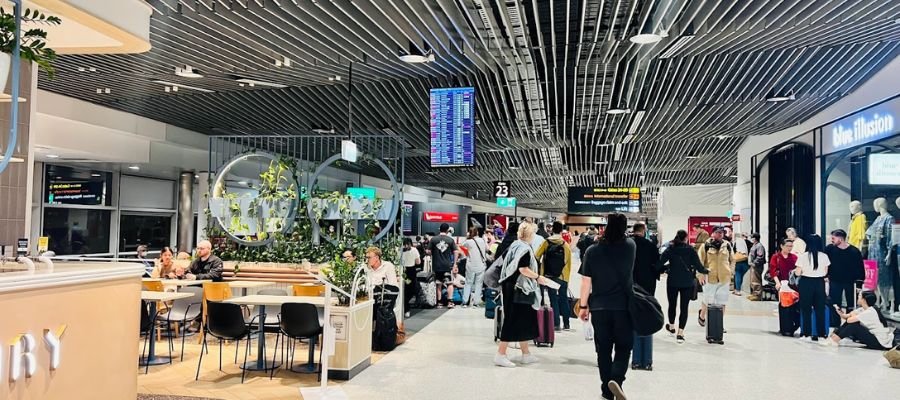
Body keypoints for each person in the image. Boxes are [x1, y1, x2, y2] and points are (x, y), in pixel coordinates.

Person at [578, 214, 635, 400]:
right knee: (624, 346)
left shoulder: (592, 251)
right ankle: (616, 379)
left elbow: (586, 282)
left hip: (599, 307)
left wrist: (583, 306)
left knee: (603, 349)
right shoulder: (630, 246)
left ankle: (606, 390)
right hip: (623, 306)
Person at [494, 222, 546, 368]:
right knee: (512, 320)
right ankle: (500, 354)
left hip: (512, 287)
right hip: (518, 289)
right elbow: (523, 269)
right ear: (531, 235)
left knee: (522, 319)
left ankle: (526, 353)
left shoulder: (515, 245)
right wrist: (538, 277)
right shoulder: (524, 249)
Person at [658, 230, 708, 344]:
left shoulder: (670, 249)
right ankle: (680, 333)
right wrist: (707, 271)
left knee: (672, 305)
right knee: (684, 308)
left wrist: (665, 268)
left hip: (672, 282)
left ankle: (671, 326)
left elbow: (659, 263)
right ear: (686, 238)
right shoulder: (690, 250)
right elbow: (699, 267)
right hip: (687, 282)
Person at [535, 221, 573, 331]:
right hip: (563, 276)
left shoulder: (546, 242)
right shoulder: (565, 245)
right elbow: (568, 262)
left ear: (552, 230)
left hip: (549, 276)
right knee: (563, 299)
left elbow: (536, 256)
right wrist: (566, 277)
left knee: (553, 299)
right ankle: (566, 324)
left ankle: (556, 324)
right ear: (561, 231)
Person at [823, 291, 893, 350]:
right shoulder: (863, 309)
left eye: (859, 296)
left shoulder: (870, 312)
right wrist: (840, 312)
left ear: (864, 300)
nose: (857, 298)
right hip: (873, 336)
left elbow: (849, 320)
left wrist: (852, 316)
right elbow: (846, 317)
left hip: (879, 342)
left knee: (854, 326)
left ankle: (834, 340)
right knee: (852, 322)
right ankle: (833, 338)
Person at [697, 227, 734, 335]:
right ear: (712, 234)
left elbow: (732, 260)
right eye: (717, 232)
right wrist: (700, 275)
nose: (720, 234)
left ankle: (719, 324)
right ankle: (702, 315)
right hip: (710, 277)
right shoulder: (705, 246)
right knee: (708, 300)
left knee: (722, 302)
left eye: (722, 233)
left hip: (724, 278)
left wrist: (730, 271)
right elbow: (699, 262)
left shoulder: (727, 245)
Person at [796, 234, 830, 341]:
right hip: (819, 283)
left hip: (806, 282)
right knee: (819, 309)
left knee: (806, 309)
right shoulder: (824, 256)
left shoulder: (803, 256)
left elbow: (798, 272)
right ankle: (821, 334)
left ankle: (806, 333)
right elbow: (825, 272)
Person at [824, 229, 865, 310]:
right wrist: (825, 275)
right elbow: (825, 263)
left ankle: (850, 321)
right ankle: (835, 321)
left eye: (833, 238)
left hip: (850, 281)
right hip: (834, 280)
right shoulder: (829, 249)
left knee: (851, 303)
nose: (831, 241)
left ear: (840, 239)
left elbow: (860, 268)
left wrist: (859, 284)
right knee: (835, 303)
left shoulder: (854, 251)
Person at [428, 223, 464, 309]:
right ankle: (450, 302)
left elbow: (428, 251)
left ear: (439, 229)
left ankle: (439, 303)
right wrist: (455, 263)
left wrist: (434, 252)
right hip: (447, 265)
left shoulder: (433, 239)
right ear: (447, 230)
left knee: (438, 284)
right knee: (449, 283)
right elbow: (456, 252)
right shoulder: (450, 240)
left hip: (437, 265)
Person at [461, 227, 488, 308]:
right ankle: (476, 302)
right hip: (481, 265)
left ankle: (465, 302)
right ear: (477, 233)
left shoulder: (468, 242)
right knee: (479, 284)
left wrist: (467, 236)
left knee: (468, 283)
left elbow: (462, 245)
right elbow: (487, 249)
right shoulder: (482, 240)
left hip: (471, 265)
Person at [631, 222, 661, 296]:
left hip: (631, 278)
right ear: (643, 231)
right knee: (648, 300)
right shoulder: (651, 245)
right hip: (648, 278)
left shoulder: (627, 244)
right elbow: (657, 262)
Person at [401, 238, 422, 317]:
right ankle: (406, 308)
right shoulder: (414, 250)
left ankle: (404, 308)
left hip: (403, 271)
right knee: (410, 290)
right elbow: (418, 262)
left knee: (404, 290)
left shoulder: (400, 250)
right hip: (410, 271)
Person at [747, 233, 767, 300]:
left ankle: (757, 295)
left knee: (756, 280)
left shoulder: (759, 246)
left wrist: (754, 263)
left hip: (757, 266)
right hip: (754, 265)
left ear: (754, 238)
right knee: (753, 279)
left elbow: (760, 256)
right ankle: (754, 293)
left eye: (752, 238)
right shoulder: (755, 245)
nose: (751, 239)